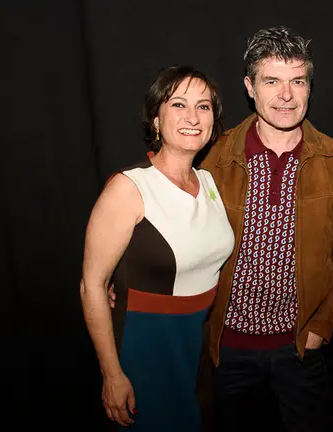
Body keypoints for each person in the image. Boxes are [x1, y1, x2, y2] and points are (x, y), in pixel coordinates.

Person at [198, 25, 333, 432]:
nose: (286, 95)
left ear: (308, 86)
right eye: (272, 81)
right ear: (249, 87)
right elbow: (179, 234)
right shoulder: (215, 157)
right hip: (227, 348)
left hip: (299, 348)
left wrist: (322, 327)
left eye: (297, 81)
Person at [79, 65, 234, 431]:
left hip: (196, 346)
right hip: (145, 346)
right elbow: (92, 286)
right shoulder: (129, 187)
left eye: (204, 106)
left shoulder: (209, 180)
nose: (193, 117)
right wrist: (112, 374)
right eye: (178, 105)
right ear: (155, 120)